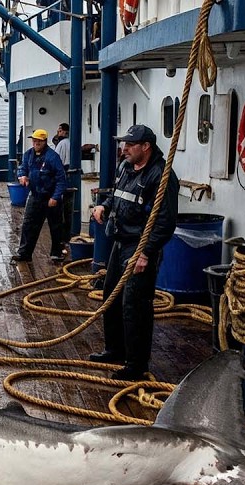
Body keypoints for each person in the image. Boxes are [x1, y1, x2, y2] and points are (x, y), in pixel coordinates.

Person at [88, 124, 179, 381]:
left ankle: (136, 365)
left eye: (130, 145)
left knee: (135, 304)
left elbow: (165, 221)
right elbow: (117, 197)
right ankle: (115, 349)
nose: (124, 148)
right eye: (124, 143)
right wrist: (103, 206)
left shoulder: (161, 176)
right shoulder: (126, 167)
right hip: (120, 241)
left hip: (139, 246)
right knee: (111, 295)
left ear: (146, 147)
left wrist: (146, 253)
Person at [13, 128, 69, 262]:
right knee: (28, 224)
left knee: (56, 226)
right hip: (35, 195)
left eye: (39, 141)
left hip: (50, 196)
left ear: (44, 141)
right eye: (34, 140)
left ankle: (56, 253)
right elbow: (22, 168)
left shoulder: (52, 157)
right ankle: (24, 253)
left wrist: (55, 197)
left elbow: (61, 179)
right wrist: (22, 176)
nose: (36, 143)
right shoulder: (28, 155)